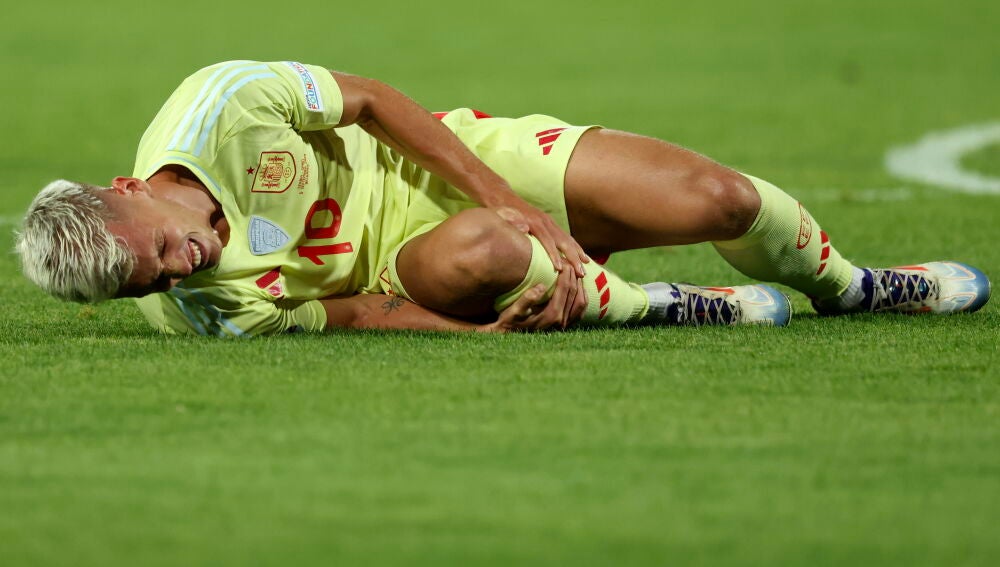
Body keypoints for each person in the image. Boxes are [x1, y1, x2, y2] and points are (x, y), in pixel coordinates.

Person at [16, 60, 991, 337]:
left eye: (164, 248)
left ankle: (857, 287)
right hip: (431, 261)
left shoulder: (216, 104)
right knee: (480, 260)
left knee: (722, 198)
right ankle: (671, 306)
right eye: (155, 283)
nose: (183, 272)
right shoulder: (203, 310)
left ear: (129, 188)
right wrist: (463, 334)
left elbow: (372, 99)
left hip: (468, 162)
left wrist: (507, 195)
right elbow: (343, 309)